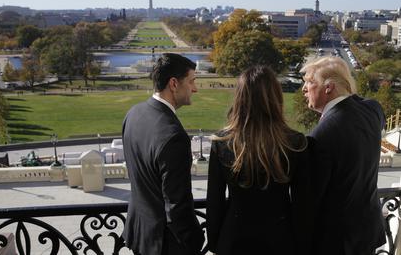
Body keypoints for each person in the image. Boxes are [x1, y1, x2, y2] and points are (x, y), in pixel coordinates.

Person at [206, 65, 310, 255]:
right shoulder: (296, 142)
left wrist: (214, 243)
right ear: (275, 97)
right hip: (281, 238)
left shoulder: (222, 142)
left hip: (234, 239)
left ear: (240, 98)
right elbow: (302, 205)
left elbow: (215, 202)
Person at [301, 56, 386, 255]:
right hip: (367, 233)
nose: (304, 89)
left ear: (328, 88)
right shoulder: (374, 110)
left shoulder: (319, 136)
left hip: (336, 242)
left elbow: (310, 199)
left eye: (310, 82)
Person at [122, 53, 204, 255]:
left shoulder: (133, 114)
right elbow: (177, 206)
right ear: (174, 84)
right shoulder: (174, 137)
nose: (195, 89)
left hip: (139, 234)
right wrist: (194, 240)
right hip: (165, 244)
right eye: (192, 81)